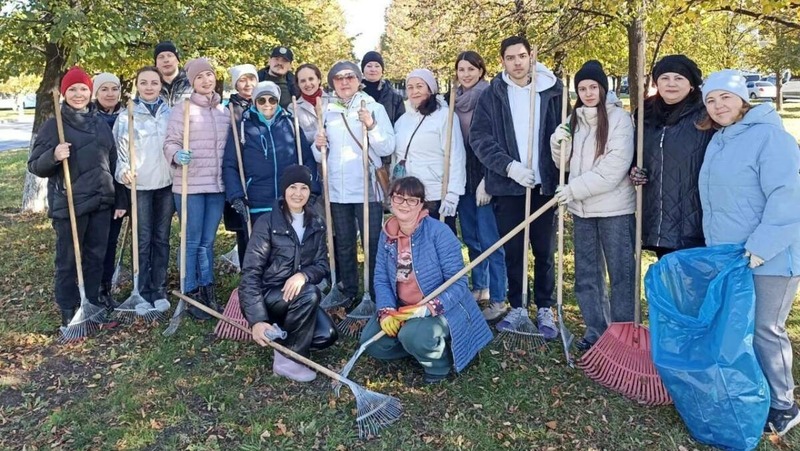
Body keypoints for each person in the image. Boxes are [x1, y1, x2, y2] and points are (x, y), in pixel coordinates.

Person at [697, 69, 800, 436]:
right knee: (739, 327)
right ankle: (752, 394)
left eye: (725, 97)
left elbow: (787, 198)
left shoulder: (770, 138)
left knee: (764, 330)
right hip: (733, 256)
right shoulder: (720, 139)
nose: (718, 105)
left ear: (743, 99)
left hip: (770, 257)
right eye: (711, 100)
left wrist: (760, 248)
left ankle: (784, 404)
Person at [470, 35, 563, 338]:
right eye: (510, 58)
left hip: (543, 184)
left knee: (545, 249)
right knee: (514, 249)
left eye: (522, 56)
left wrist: (562, 158)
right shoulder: (494, 94)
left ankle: (546, 308)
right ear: (502, 61)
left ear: (531, 56)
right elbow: (480, 138)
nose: (517, 63)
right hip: (510, 186)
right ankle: (519, 305)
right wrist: (510, 167)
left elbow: (569, 128)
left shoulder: (552, 90)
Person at [360, 176, 492, 384]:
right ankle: (420, 348)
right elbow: (382, 279)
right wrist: (385, 311)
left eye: (412, 200)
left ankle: (440, 366)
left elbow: (458, 283)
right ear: (391, 201)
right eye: (399, 198)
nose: (405, 204)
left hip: (442, 308)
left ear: (421, 204)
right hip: (403, 307)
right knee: (371, 342)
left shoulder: (439, 233)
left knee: (413, 335)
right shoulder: (387, 235)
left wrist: (428, 308)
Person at [28, 66, 125, 326]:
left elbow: (113, 162)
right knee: (69, 259)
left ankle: (90, 304)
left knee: (96, 256)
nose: (79, 94)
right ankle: (69, 309)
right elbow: (35, 165)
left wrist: (119, 200)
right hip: (70, 202)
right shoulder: (54, 125)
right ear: (64, 93)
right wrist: (54, 156)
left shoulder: (100, 124)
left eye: (83, 88)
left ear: (90, 91)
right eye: (73, 89)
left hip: (102, 201)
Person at [550, 61, 635, 351]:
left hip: (614, 209)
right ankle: (596, 329)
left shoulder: (620, 120)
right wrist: (557, 143)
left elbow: (613, 169)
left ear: (603, 88)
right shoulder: (575, 121)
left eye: (593, 87)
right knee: (587, 274)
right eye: (582, 88)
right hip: (582, 210)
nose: (588, 93)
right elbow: (562, 164)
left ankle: (624, 333)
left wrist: (573, 189)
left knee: (621, 273)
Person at [239, 165, 336, 382]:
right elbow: (250, 274)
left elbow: (322, 265)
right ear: (284, 190)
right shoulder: (267, 223)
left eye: (304, 188)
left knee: (326, 335)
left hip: (298, 297)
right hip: (269, 297)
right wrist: (257, 320)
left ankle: (282, 332)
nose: (298, 193)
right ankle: (288, 360)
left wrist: (303, 275)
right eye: (292, 187)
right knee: (310, 294)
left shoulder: (316, 223)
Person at [312, 61, 395, 305]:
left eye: (350, 77)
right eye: (338, 78)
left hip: (367, 188)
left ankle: (375, 291)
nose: (344, 82)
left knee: (371, 244)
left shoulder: (373, 108)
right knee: (344, 244)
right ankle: (347, 290)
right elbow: (321, 155)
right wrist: (318, 145)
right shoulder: (327, 111)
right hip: (338, 191)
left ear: (358, 80)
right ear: (332, 84)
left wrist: (371, 125)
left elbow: (388, 146)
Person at [223, 81, 318, 266]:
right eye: (262, 100)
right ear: (254, 101)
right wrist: (236, 196)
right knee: (258, 253)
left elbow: (307, 159)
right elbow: (230, 165)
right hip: (257, 201)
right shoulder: (243, 126)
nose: (267, 104)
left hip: (288, 201)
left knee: (287, 251)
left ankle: (286, 290)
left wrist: (312, 189)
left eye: (272, 100)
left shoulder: (290, 123)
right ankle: (254, 290)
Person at [163, 57, 229, 319]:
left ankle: (207, 289)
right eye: (199, 77)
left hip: (216, 185)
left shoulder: (224, 112)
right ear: (192, 81)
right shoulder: (183, 109)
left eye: (209, 75)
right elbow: (170, 141)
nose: (206, 80)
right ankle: (190, 292)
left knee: (207, 241)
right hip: (189, 184)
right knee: (191, 241)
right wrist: (177, 154)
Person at [629, 54, 714, 259]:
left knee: (693, 284)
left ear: (692, 84)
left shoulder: (707, 113)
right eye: (665, 78)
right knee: (668, 281)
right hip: (658, 214)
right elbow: (636, 149)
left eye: (679, 78)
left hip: (694, 218)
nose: (671, 84)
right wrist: (634, 169)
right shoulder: (646, 112)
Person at [450, 51, 507, 313]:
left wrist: (488, 179)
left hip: (484, 174)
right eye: (461, 70)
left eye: (471, 69)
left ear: (481, 71)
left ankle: (498, 295)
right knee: (471, 237)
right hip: (462, 175)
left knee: (489, 239)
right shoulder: (453, 100)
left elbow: (496, 141)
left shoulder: (490, 97)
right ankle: (480, 285)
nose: (466, 74)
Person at [113, 66, 173, 311]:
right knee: (143, 238)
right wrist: (123, 173)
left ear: (161, 85)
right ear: (137, 85)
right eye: (144, 82)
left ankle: (159, 288)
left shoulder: (170, 113)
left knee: (162, 238)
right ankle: (142, 288)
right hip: (141, 186)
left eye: (154, 83)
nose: (149, 87)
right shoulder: (127, 115)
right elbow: (120, 154)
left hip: (167, 184)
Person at [392, 68, 465, 231]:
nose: (414, 91)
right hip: (408, 195)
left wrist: (453, 193)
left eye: (419, 86)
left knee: (438, 244)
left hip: (435, 192)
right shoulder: (402, 121)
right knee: (413, 245)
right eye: (410, 87)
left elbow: (456, 155)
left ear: (430, 89)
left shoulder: (444, 116)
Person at [92, 72, 128, 308]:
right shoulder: (86, 118)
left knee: (109, 241)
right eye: (104, 89)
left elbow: (122, 162)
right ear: (95, 93)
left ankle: (104, 289)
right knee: (91, 243)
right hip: (90, 191)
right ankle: (88, 289)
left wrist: (122, 200)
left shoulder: (126, 118)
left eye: (114, 88)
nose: (110, 93)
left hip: (116, 191)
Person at [222, 64, 259, 266]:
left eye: (251, 79)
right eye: (243, 80)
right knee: (243, 227)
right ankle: (246, 274)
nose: (248, 84)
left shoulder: (263, 103)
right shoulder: (228, 108)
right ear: (236, 84)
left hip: (258, 173)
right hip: (237, 169)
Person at [361, 51, 405, 125]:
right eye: (369, 66)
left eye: (377, 66)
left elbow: (401, 125)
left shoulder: (395, 98)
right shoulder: (355, 94)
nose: (373, 69)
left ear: (382, 70)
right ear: (363, 70)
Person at [294, 63, 326, 142]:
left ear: (319, 80)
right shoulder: (293, 107)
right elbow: (297, 136)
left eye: (311, 79)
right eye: (303, 81)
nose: (307, 84)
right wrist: (319, 135)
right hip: (310, 153)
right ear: (298, 84)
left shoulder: (334, 102)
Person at [154, 41, 192, 107]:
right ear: (156, 63)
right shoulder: (148, 86)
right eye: (161, 57)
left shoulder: (192, 84)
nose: (166, 60)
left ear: (178, 60)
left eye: (170, 56)